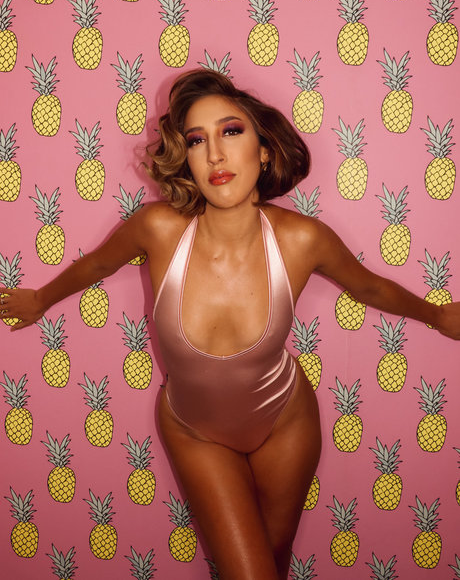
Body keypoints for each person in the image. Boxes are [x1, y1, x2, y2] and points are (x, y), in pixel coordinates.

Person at [1, 69, 459, 580]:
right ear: (186, 158)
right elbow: (98, 265)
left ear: (263, 151)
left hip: (285, 421)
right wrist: (40, 298)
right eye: (197, 140)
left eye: (231, 131)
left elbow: (369, 288)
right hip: (195, 432)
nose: (215, 154)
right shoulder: (157, 229)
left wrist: (438, 314)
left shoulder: (302, 239)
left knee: (274, 563)